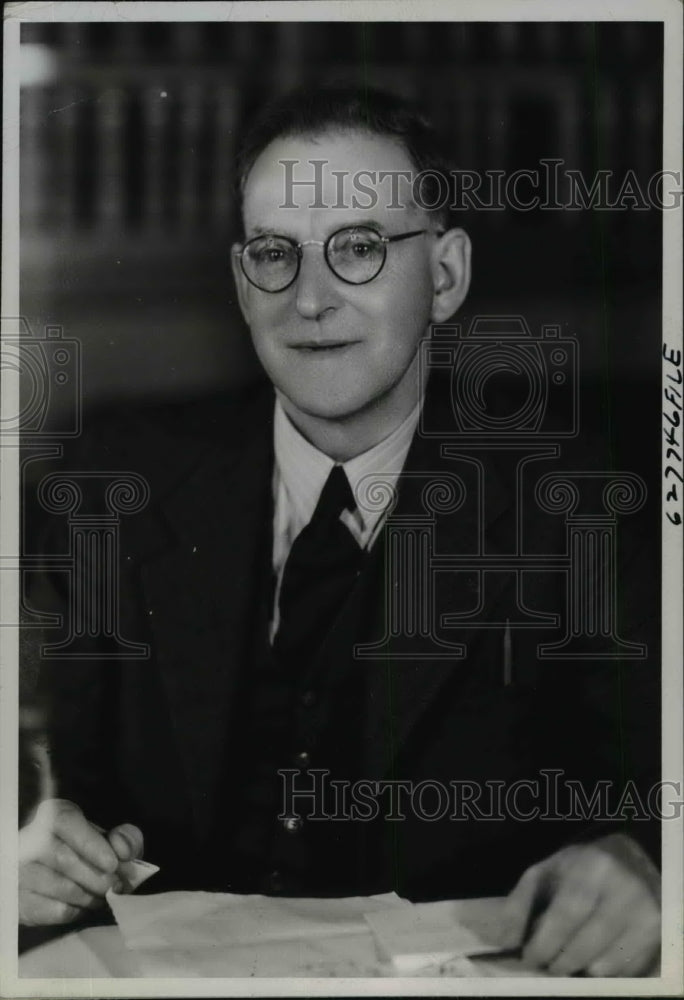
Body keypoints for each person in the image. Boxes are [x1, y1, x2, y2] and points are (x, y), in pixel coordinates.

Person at [20, 86, 661, 976]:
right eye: (275, 254)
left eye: (358, 249)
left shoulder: (583, 501)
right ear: (242, 283)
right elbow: (30, 753)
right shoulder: (112, 483)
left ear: (445, 277)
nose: (309, 300)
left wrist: (657, 868)